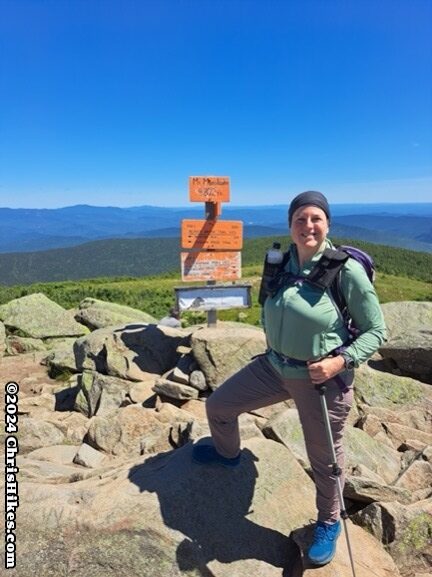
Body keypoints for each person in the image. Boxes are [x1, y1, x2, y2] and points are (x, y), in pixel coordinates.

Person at [192, 190, 387, 566]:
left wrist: (339, 362)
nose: (308, 225)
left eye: (316, 218)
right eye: (300, 219)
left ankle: (329, 522)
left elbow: (377, 331)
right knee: (218, 406)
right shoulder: (282, 264)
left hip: (320, 379)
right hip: (274, 367)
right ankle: (228, 454)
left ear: (328, 224)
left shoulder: (345, 270)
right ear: (290, 225)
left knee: (324, 458)